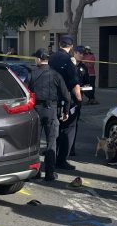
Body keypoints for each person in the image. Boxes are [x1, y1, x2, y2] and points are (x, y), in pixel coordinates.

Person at [27, 48, 71, 182]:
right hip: (51, 110)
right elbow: (66, 96)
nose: (35, 60)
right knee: (51, 143)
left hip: (36, 110)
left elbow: (26, 93)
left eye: (36, 57)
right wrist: (65, 112)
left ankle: (36, 172)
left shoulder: (32, 74)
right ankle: (50, 173)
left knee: (35, 143)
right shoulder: (56, 75)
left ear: (40, 59)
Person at [49, 35, 82, 170]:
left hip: (52, 98)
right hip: (66, 99)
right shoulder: (68, 60)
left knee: (56, 128)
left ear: (60, 44)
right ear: (71, 46)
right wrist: (79, 99)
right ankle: (62, 160)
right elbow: (74, 82)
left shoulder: (52, 57)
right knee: (68, 129)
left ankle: (52, 154)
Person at [69, 46, 89, 157]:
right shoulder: (68, 65)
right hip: (67, 97)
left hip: (77, 99)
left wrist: (86, 88)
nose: (82, 55)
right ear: (75, 53)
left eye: (83, 54)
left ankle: (71, 147)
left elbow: (87, 81)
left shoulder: (83, 67)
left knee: (74, 124)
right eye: (80, 53)